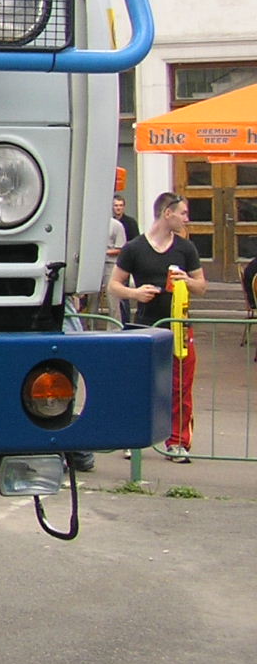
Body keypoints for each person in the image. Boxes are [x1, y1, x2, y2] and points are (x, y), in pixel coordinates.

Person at [108, 192, 206, 463]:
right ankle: (134, 439)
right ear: (167, 213)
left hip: (180, 326)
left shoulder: (186, 248)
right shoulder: (135, 248)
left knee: (180, 386)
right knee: (141, 384)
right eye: (183, 213)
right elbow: (114, 285)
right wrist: (135, 293)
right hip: (145, 326)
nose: (187, 219)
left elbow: (202, 286)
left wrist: (187, 279)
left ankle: (177, 442)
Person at [111, 193, 140, 323]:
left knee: (124, 293)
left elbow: (135, 242)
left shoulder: (130, 223)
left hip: (124, 262)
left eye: (120, 205)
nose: (118, 208)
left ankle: (125, 321)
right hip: (109, 262)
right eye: (116, 205)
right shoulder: (108, 223)